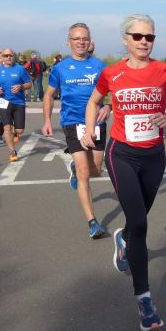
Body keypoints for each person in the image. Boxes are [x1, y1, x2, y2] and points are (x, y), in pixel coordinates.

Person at [81, 14, 166, 331]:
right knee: (140, 223)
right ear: (125, 39)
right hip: (122, 153)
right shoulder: (111, 73)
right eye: (137, 36)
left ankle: (122, 238)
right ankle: (144, 300)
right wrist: (89, 128)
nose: (143, 41)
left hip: (154, 156)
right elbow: (94, 101)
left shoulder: (165, 71)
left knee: (138, 219)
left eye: (149, 37)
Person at [42, 23, 111, 239]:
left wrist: (109, 107)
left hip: (97, 122)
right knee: (84, 173)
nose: (81, 42)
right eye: (76, 38)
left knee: (95, 170)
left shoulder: (100, 66)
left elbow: (115, 92)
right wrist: (47, 120)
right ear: (68, 42)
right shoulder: (60, 68)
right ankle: (92, 222)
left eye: (84, 38)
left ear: (90, 41)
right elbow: (49, 94)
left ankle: (74, 168)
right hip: (72, 122)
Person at [0, 48, 31, 162]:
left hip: (19, 102)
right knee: (7, 127)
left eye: (10, 55)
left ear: (14, 56)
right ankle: (13, 151)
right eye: (6, 55)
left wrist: (21, 86)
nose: (8, 57)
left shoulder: (20, 69)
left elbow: (29, 84)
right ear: (2, 57)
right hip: (4, 102)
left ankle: (16, 133)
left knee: (20, 130)